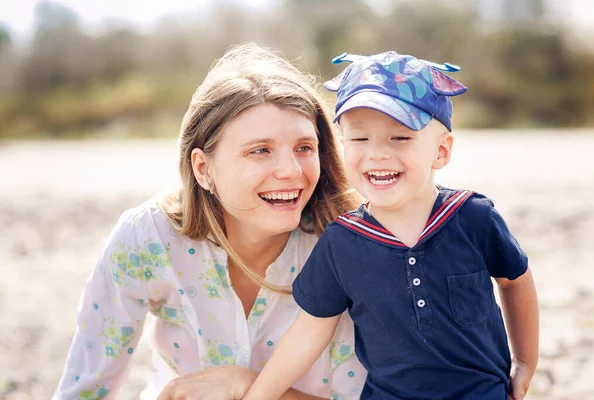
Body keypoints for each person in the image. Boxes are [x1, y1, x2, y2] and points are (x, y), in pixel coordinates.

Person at [52, 43, 368, 400]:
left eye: (304, 148)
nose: (292, 171)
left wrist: (245, 386)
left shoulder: (350, 248)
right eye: (260, 150)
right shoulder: (147, 237)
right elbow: (84, 389)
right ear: (203, 169)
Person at [243, 51, 539, 400]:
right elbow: (309, 332)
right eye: (359, 139)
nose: (378, 154)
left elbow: (515, 282)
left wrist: (524, 362)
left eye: (400, 138)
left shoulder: (473, 217)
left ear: (441, 151)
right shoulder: (342, 243)